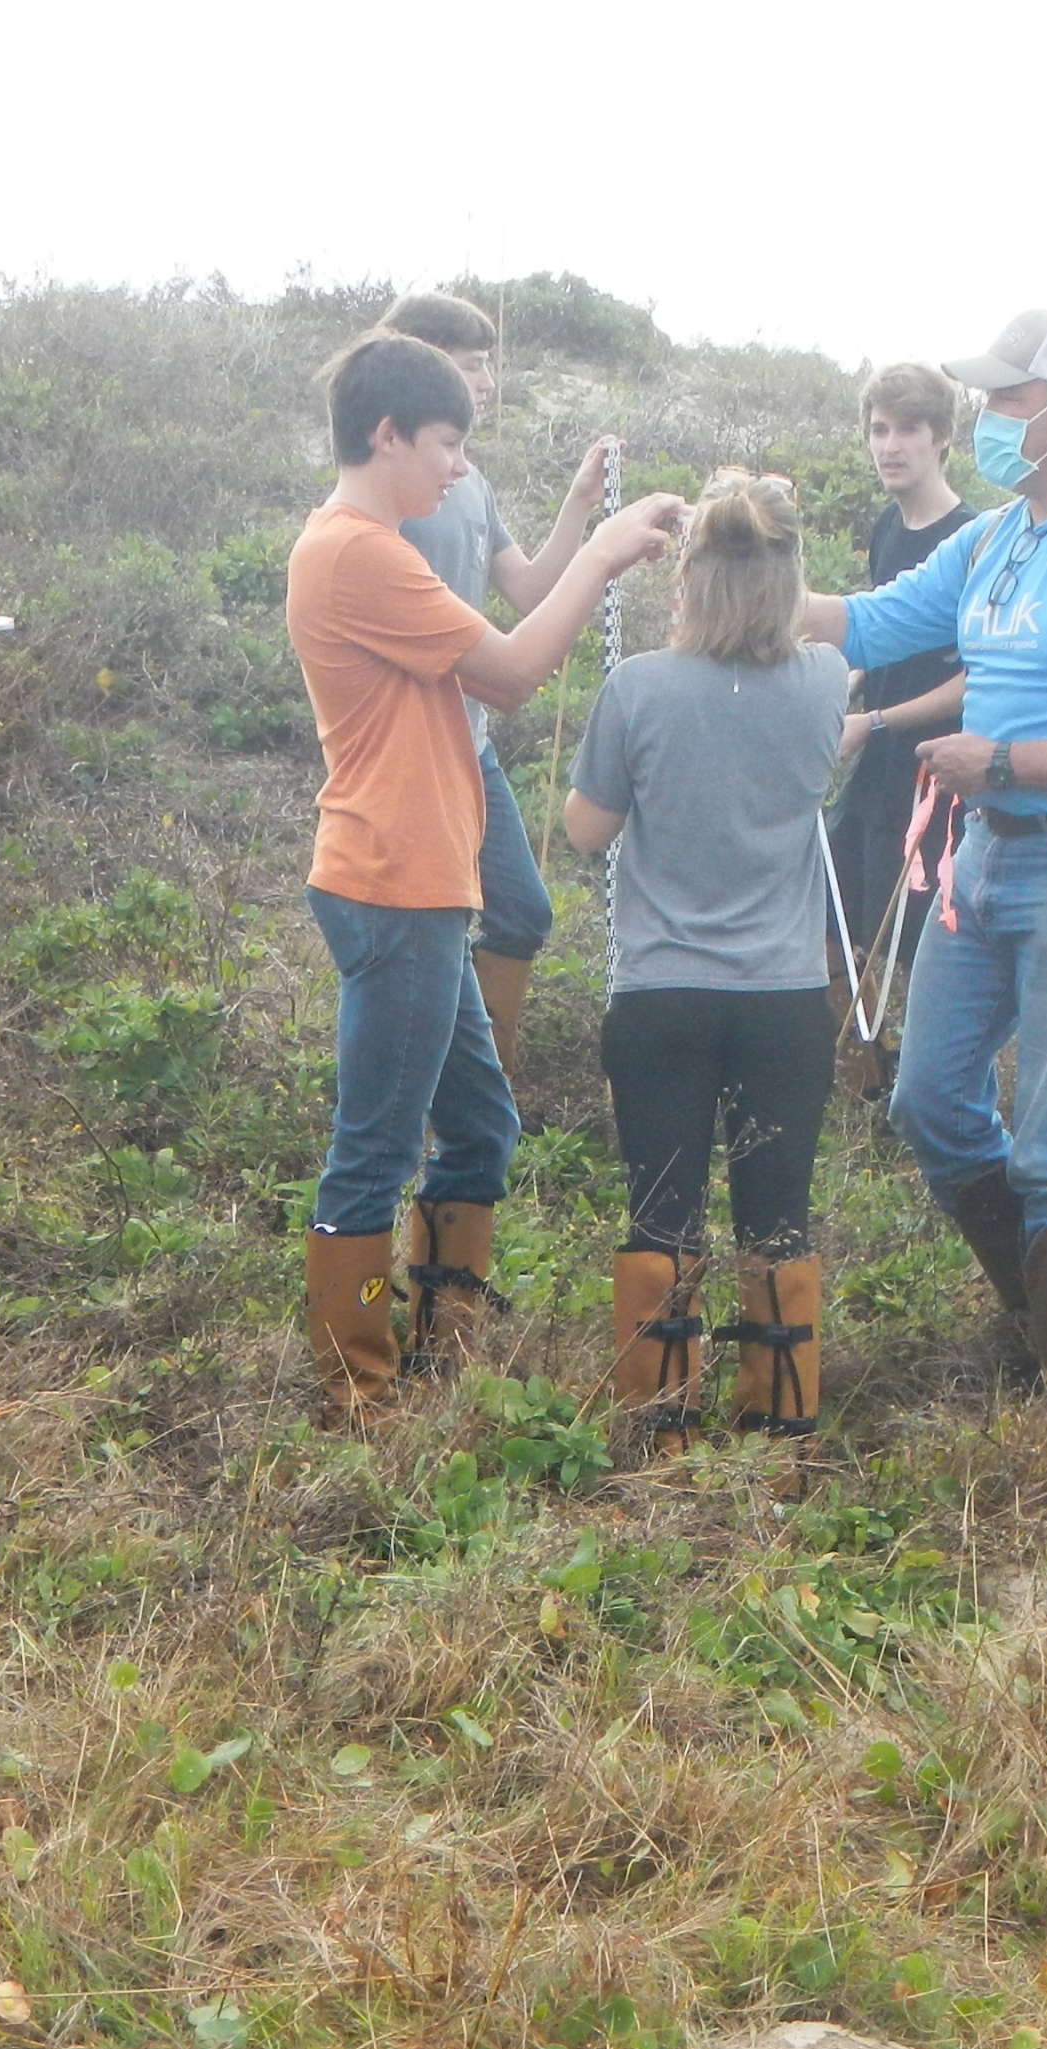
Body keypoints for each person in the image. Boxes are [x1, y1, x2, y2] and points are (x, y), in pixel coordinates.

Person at [796, 311, 1047, 1379]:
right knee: (930, 1103)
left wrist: (1009, 764)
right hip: (981, 859)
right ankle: (1044, 1315)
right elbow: (877, 622)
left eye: (1001, 402)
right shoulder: (995, 537)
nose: (982, 421)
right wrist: (738, 576)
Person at [285, 331, 683, 1421]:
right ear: (386, 434)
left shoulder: (372, 543)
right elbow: (508, 675)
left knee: (482, 1125)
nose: (458, 467)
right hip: (394, 881)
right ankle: (356, 1392)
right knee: (373, 1146)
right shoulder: (358, 551)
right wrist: (597, 554)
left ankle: (439, 1341)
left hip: (418, 880)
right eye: (447, 442)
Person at [562, 473, 851, 1452]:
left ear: (685, 577)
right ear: (788, 580)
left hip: (661, 994)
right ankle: (779, 1436)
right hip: (783, 1000)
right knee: (777, 1219)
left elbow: (585, 831)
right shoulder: (824, 682)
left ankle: (661, 1428)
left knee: (663, 1210)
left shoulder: (636, 686)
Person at [371, 291, 625, 1341]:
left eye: (485, 361)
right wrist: (606, 556)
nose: (479, 379)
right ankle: (460, 1087)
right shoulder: (407, 497)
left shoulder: (467, 479)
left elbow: (526, 585)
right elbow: (510, 650)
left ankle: (477, 1080)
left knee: (519, 914)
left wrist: (580, 508)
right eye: (459, 361)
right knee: (501, 916)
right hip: (429, 766)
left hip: (470, 752)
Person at [825, 365, 978, 1046]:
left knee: (915, 949)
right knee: (828, 914)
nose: (890, 445)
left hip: (931, 777)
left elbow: (979, 681)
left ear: (943, 437)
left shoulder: (974, 539)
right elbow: (878, 632)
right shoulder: (887, 524)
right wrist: (846, 682)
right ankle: (859, 1069)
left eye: (909, 429)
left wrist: (877, 720)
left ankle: (912, 1090)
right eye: (879, 429)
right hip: (872, 766)